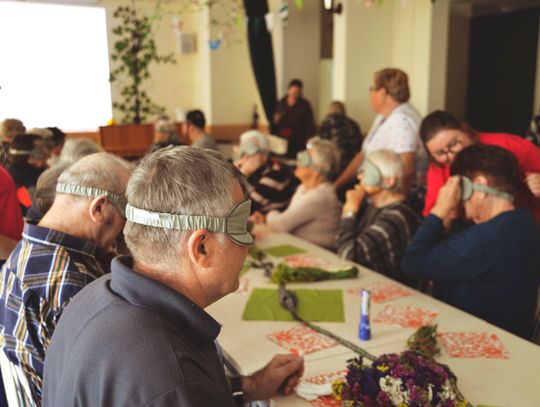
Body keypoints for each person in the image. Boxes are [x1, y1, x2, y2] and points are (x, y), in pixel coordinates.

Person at [42, 146, 304, 407]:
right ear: (201, 247)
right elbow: (175, 390)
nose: (248, 244)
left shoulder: (95, 294)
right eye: (241, 227)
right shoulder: (176, 381)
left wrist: (249, 387)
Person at [0, 152, 131, 404]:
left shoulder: (23, 250)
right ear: (99, 208)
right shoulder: (74, 280)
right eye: (125, 214)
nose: (124, 228)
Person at [403, 144, 540, 339]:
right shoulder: (524, 222)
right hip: (508, 337)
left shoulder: (487, 238)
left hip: (475, 340)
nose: (460, 199)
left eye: (462, 190)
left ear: (480, 185)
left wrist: (439, 211)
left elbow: (413, 262)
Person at [420, 110, 540, 225]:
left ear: (465, 130)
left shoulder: (512, 146)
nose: (451, 156)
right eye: (440, 153)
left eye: (453, 144)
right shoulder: (437, 168)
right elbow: (433, 220)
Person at [334, 68, 424, 196]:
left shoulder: (401, 120)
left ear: (382, 93)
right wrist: (336, 185)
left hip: (389, 197)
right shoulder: (383, 116)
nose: (370, 95)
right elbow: (364, 154)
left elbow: (406, 171)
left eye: (371, 89)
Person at [337, 149, 420, 284]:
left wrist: (349, 212)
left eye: (367, 171)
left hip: (391, 290)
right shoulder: (372, 206)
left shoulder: (396, 217)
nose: (359, 177)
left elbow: (347, 256)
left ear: (389, 181)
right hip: (369, 282)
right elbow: (341, 242)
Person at [258, 137, 342, 250]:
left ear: (318, 169)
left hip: (319, 253)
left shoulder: (321, 196)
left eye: (305, 159)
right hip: (301, 247)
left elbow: (280, 225)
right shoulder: (303, 188)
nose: (298, 161)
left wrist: (270, 214)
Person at [234, 130, 295, 214]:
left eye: (251, 152)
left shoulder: (275, 174)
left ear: (263, 153)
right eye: (243, 153)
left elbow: (241, 210)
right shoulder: (255, 171)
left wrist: (241, 175)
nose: (245, 158)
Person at [273, 78, 315, 158]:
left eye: (297, 92)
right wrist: (276, 121)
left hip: (299, 139)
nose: (295, 94)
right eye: (293, 92)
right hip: (283, 139)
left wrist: (309, 141)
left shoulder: (305, 104)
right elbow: (275, 122)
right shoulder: (281, 103)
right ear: (288, 90)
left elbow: (309, 124)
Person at [319, 101, 362, 173]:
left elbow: (322, 144)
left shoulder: (326, 123)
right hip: (350, 163)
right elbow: (358, 145)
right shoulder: (353, 124)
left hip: (330, 162)